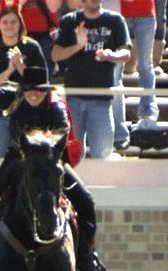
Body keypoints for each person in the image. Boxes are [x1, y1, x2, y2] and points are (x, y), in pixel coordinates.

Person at [0, 65, 111, 271]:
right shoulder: (15, 99)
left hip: (50, 162)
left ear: (46, 91)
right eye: (29, 90)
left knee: (86, 201)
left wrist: (41, 150)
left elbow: (62, 137)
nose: (34, 94)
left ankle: (87, 257)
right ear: (23, 90)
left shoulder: (57, 109)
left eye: (39, 90)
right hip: (17, 160)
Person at [51, 0, 131, 159]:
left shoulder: (115, 20)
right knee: (71, 156)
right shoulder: (69, 20)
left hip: (102, 99)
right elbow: (55, 54)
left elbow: (126, 54)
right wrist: (78, 46)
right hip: (74, 98)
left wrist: (110, 55)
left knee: (103, 156)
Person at [0, 7, 46, 156]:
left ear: (20, 24)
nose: (9, 26)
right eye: (5, 22)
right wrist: (9, 70)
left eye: (13, 22)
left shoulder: (32, 47)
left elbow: (40, 82)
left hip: (27, 112)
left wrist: (20, 65)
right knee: (2, 158)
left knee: (26, 157)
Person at [0, 0, 62, 81]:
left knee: (45, 73)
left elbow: (54, 8)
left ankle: (45, 90)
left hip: (43, 37)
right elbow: (8, 12)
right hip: (20, 38)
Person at [121, 0, 160, 130]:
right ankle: (116, 114)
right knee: (117, 66)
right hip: (120, 13)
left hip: (146, 13)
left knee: (145, 65)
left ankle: (148, 111)